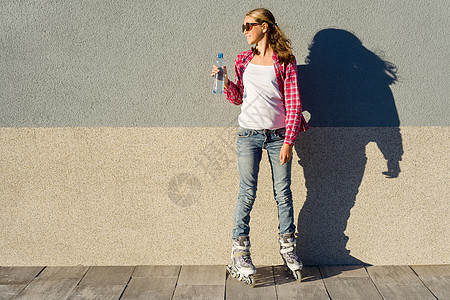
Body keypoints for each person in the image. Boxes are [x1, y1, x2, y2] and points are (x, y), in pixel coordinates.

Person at [210, 7, 308, 285]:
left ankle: (288, 248)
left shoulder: (285, 60)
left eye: (249, 25)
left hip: (278, 137)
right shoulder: (243, 59)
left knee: (283, 192)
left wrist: (289, 140)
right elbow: (238, 97)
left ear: (265, 27)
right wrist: (226, 81)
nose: (245, 31)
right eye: (243, 26)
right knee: (247, 192)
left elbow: (294, 104)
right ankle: (240, 251)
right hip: (248, 135)